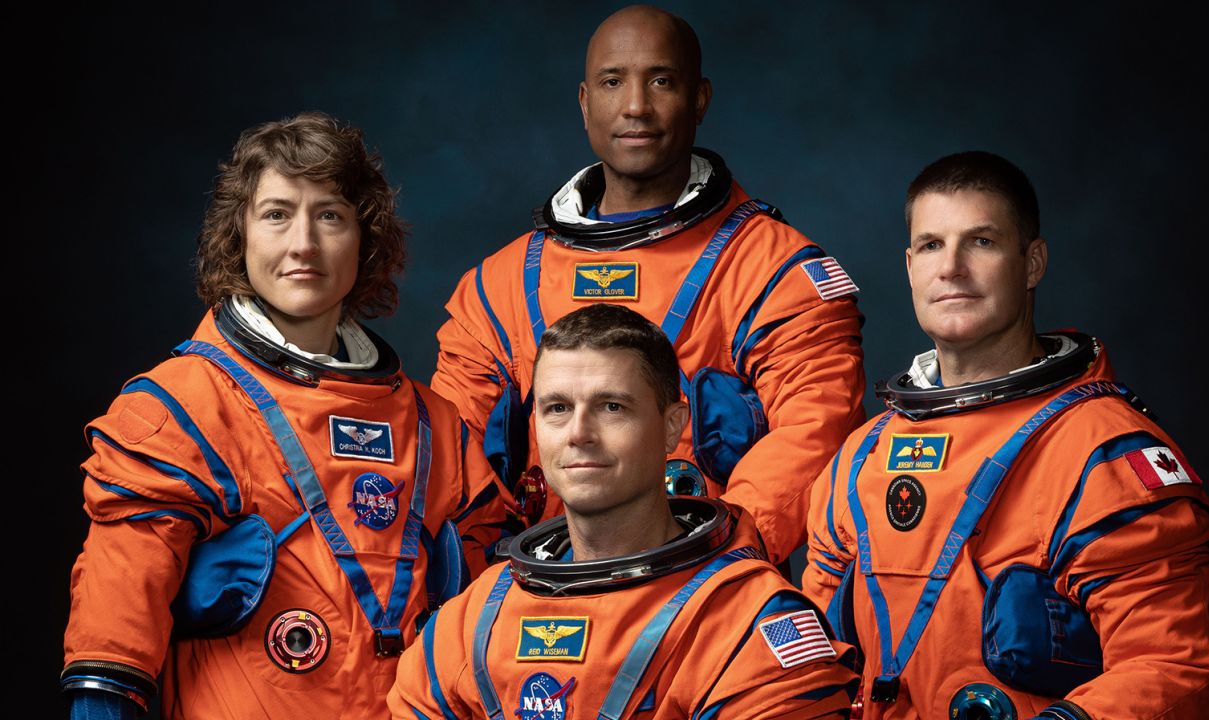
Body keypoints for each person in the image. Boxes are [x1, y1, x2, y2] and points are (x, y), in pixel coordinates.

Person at [61, 112, 498, 719]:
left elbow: (490, 636)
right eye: (276, 214)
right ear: (238, 236)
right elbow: (112, 638)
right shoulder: (180, 410)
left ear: (364, 240)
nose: (303, 244)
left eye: (330, 215)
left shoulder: (435, 428)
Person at [431, 5, 865, 565]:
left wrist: (711, 564)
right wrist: (490, 585)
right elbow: (450, 456)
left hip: (702, 595)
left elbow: (815, 431)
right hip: (535, 597)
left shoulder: (773, 270)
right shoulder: (500, 286)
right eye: (613, 82)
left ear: (700, 100)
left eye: (661, 81)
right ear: (586, 103)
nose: (636, 106)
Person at [804, 151, 1209, 720]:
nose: (950, 267)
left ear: (1032, 263)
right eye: (931, 245)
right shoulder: (862, 456)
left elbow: (1173, 668)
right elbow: (810, 665)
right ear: (909, 266)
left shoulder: (1102, 452)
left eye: (981, 242)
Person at [392, 303, 859, 719]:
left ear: (672, 426)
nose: (578, 433)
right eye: (557, 408)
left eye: (611, 407)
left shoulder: (747, 623)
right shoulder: (473, 622)